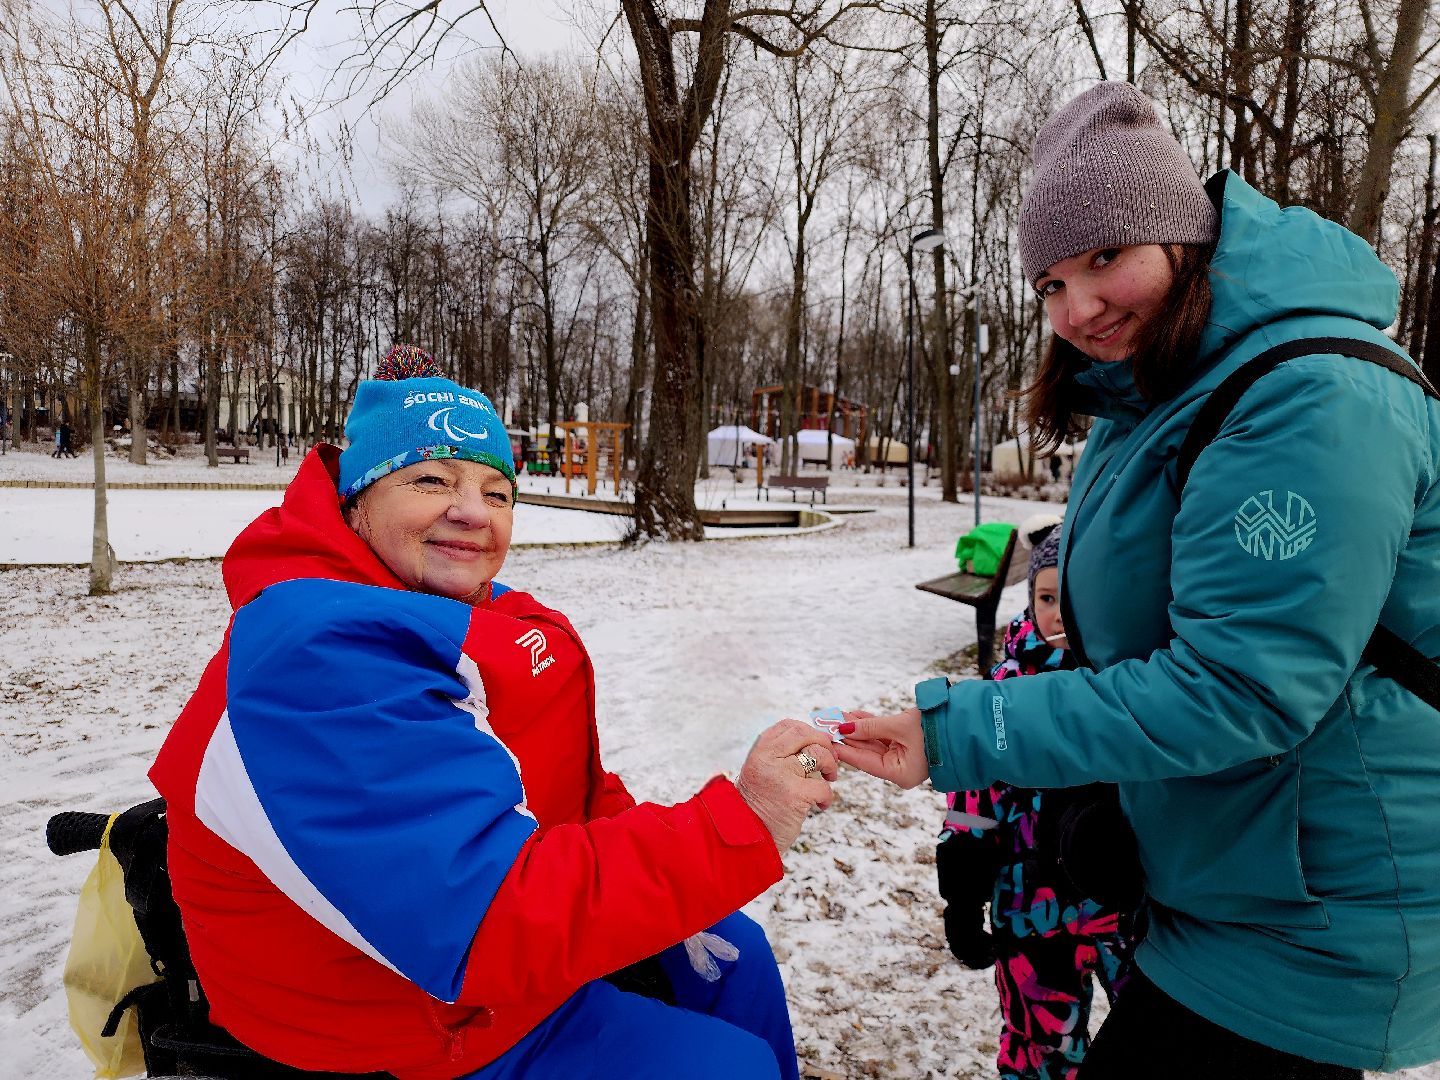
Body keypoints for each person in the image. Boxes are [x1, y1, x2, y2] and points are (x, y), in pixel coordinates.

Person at [836, 82, 1440, 1079]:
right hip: (1233, 883)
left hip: (1325, 916)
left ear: (1182, 239)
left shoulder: (1307, 396)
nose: (1075, 309)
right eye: (1049, 283)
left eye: (1104, 258)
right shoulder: (1158, 388)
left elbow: (1240, 687)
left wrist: (967, 733)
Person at [149, 344, 838, 1080]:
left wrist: (681, 880)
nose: (471, 511)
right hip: (387, 1018)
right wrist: (735, 826)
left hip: (464, 959)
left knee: (740, 960)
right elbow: (485, 921)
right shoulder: (315, 654)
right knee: (727, 1069)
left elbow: (568, 795)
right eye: (430, 479)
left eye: (497, 491)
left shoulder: (457, 612)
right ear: (357, 502)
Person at [936, 520, 1135, 1080]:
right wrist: (961, 897)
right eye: (1047, 598)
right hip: (1030, 914)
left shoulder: (1131, 682)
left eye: (1074, 598)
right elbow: (971, 802)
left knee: (1151, 1042)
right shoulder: (1003, 692)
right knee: (1040, 1050)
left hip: (1122, 910)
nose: (1059, 614)